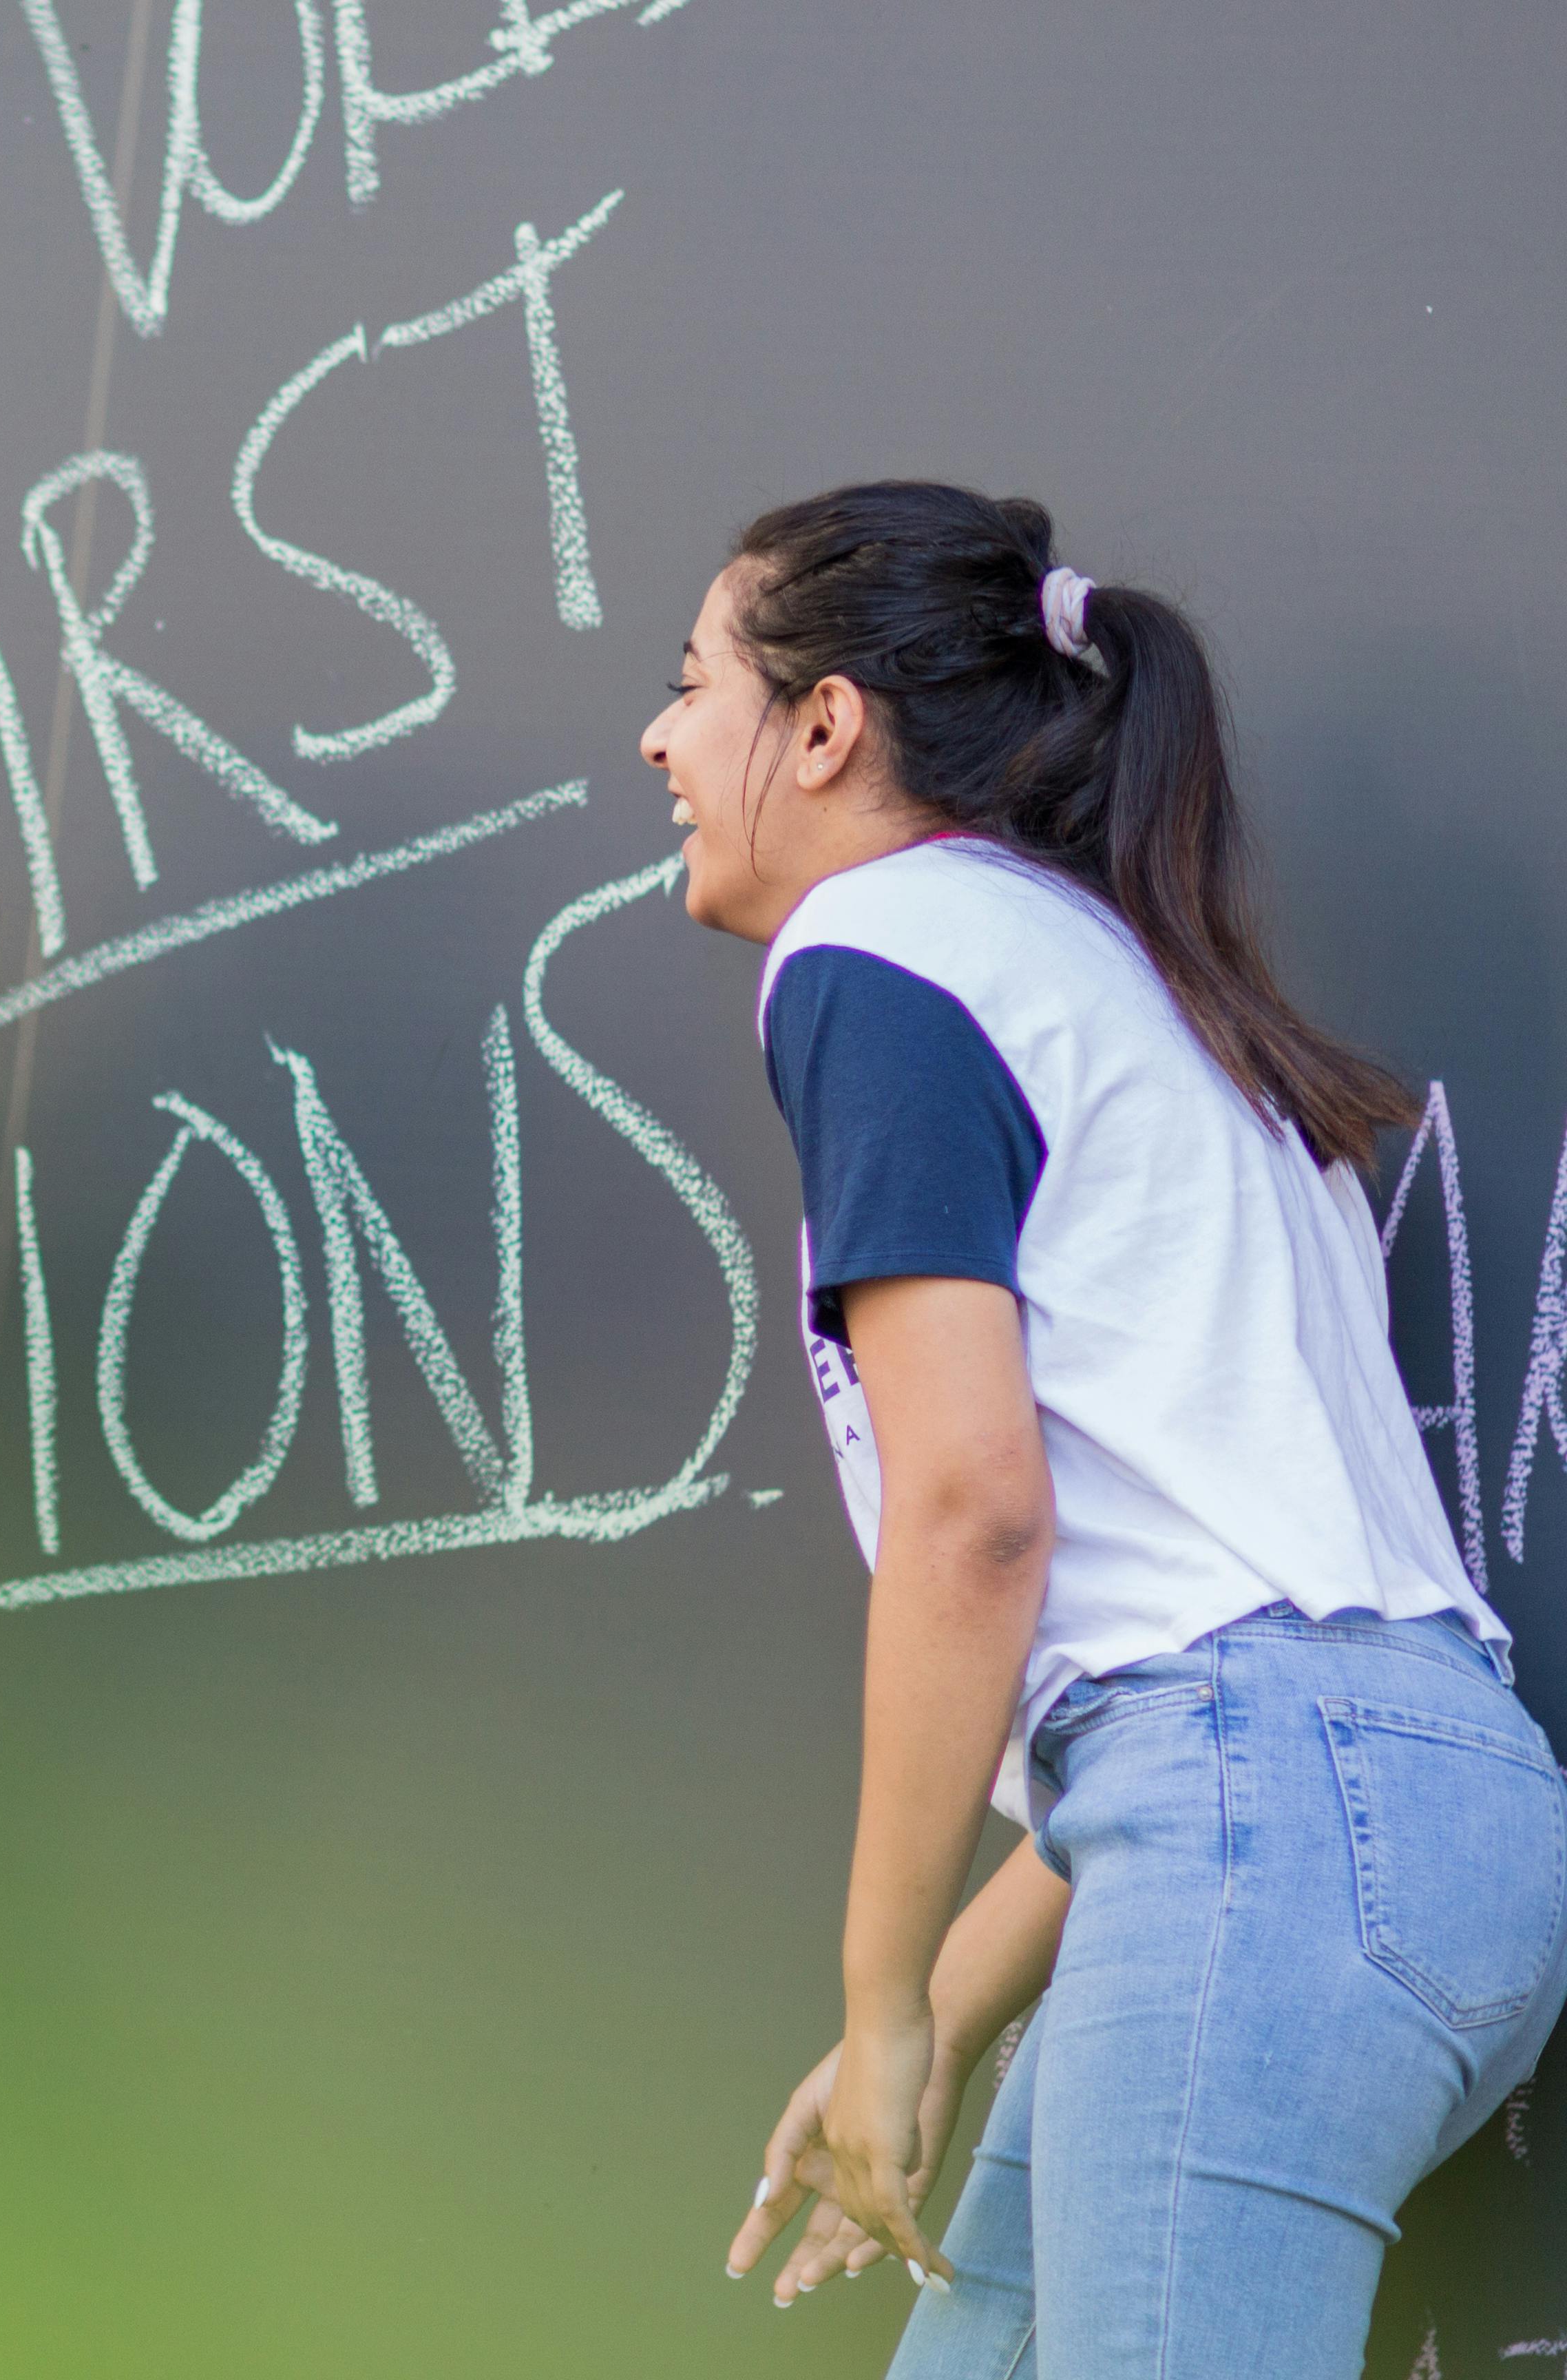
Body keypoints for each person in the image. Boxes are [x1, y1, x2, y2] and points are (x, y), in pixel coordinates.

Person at [643, 483, 1566, 2374]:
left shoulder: (880, 948)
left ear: (823, 731)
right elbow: (1196, 1663)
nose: (660, 740)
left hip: (1264, 1827)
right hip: (1379, 1818)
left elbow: (982, 1520)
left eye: (693, 685)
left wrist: (885, 1999)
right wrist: (931, 2022)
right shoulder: (1134, 982)